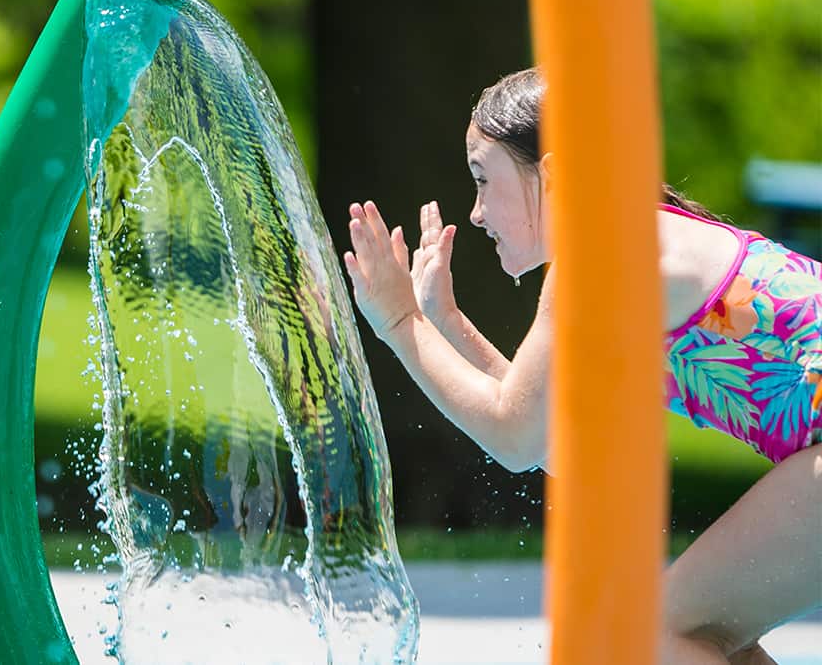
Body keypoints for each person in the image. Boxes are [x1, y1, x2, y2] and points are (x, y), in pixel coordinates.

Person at [342, 68, 820, 664]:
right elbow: (562, 450)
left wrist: (399, 322)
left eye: (483, 180)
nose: (477, 212)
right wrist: (445, 321)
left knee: (649, 637)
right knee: (696, 635)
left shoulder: (599, 256)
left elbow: (515, 437)